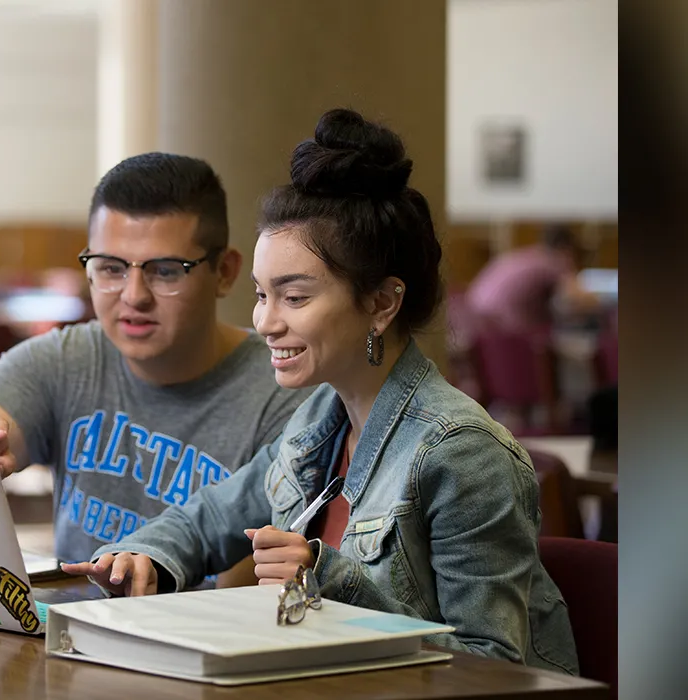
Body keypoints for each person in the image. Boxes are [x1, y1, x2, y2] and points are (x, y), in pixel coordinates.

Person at [64, 109, 579, 675]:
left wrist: (327, 579)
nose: (264, 321)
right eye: (262, 295)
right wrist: (145, 556)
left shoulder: (463, 452)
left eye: (295, 297)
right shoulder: (317, 420)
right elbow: (207, 517)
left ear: (382, 303)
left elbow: (491, 667)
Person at [0, 153, 309, 580]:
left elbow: (246, 589)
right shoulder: (65, 360)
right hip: (70, 633)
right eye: (111, 268)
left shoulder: (286, 392)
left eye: (166, 271)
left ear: (225, 273)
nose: (133, 295)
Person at [467, 223, 601, 331]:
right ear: (566, 249)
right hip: (506, 327)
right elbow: (583, 301)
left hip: (474, 321)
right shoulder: (554, 261)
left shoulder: (529, 255)